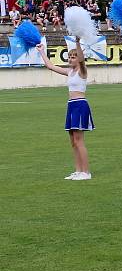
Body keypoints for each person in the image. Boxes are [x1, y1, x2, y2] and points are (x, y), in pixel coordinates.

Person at [36, 38, 94, 180]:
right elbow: (50, 66)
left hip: (80, 104)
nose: (71, 59)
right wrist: (42, 51)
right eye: (69, 56)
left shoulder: (82, 71)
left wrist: (78, 43)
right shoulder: (69, 72)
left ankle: (86, 172)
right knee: (73, 141)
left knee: (79, 140)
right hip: (71, 106)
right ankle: (78, 170)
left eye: (73, 57)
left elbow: (81, 59)